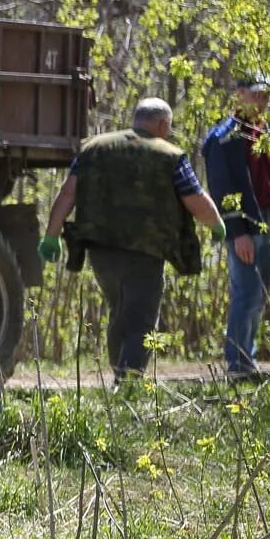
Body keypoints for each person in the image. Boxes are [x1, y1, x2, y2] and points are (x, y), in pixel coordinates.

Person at [38, 97, 225, 378]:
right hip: (145, 250)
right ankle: (129, 382)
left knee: (119, 309)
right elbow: (194, 198)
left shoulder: (94, 148)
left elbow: (68, 192)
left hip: (101, 249)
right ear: (163, 124)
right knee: (141, 316)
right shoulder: (169, 154)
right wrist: (217, 224)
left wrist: (51, 235)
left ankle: (120, 374)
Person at [200, 73, 270, 376]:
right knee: (247, 291)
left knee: (260, 293)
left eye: (267, 96)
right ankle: (238, 363)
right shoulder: (224, 137)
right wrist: (238, 232)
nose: (263, 101)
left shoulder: (266, 133)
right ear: (239, 95)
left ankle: (246, 357)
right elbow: (223, 189)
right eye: (256, 95)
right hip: (245, 225)